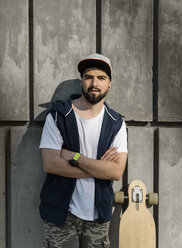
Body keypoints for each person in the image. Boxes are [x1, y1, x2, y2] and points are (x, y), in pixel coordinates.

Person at [39, 53, 128, 248]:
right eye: (89, 77)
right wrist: (99, 169)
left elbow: (116, 172)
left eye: (101, 78)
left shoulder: (116, 123)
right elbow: (50, 163)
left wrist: (75, 156)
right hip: (61, 215)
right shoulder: (58, 115)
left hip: (98, 216)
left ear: (109, 83)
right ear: (82, 81)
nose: (94, 83)